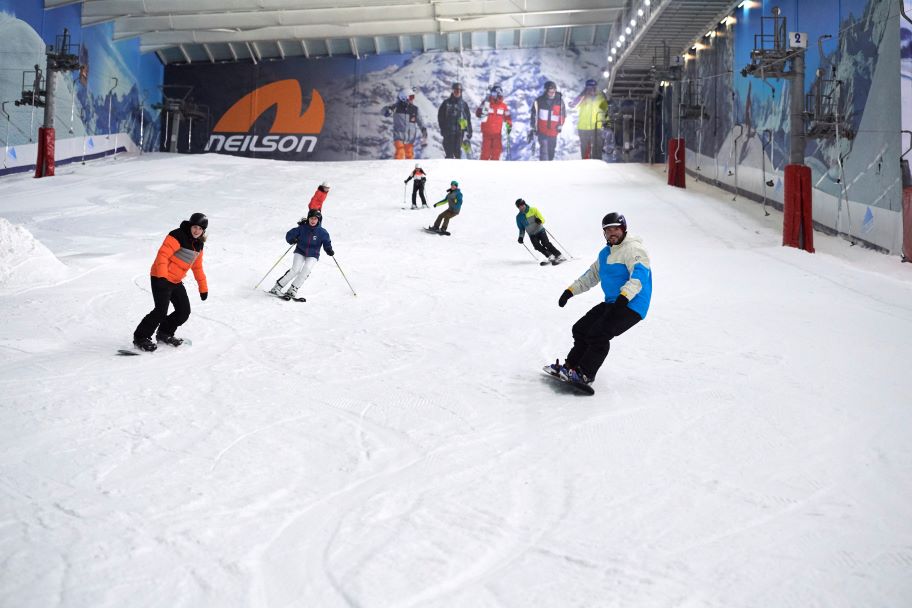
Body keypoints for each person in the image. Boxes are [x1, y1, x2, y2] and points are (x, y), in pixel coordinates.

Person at [547, 212, 652, 386]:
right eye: (608, 230)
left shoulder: (634, 249)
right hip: (613, 302)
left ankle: (585, 374)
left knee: (599, 334)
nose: (612, 233)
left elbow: (640, 275)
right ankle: (571, 366)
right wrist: (570, 291)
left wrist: (624, 297)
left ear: (624, 229)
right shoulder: (605, 253)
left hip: (632, 304)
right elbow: (592, 275)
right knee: (581, 329)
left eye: (616, 229)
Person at [132, 213, 209, 352]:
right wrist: (161, 277)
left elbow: (197, 267)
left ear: (203, 231)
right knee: (160, 311)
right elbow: (163, 255)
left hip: (175, 280)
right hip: (160, 277)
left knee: (183, 311)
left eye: (200, 229)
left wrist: (203, 288)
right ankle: (141, 337)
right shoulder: (177, 235)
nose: (197, 231)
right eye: (195, 227)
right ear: (190, 226)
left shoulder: (198, 245)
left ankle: (164, 332)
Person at [268, 209, 334, 300]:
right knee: (295, 269)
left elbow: (327, 242)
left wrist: (329, 250)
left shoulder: (322, 232)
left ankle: (293, 289)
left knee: (306, 270)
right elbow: (289, 235)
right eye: (311, 218)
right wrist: (292, 239)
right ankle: (277, 287)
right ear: (308, 219)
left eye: (315, 219)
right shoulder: (302, 228)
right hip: (300, 251)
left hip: (313, 254)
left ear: (318, 220)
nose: (313, 221)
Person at [568, 79, 610, 160]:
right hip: (584, 128)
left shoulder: (600, 98)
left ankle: (597, 166)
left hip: (597, 127)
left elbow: (605, 111)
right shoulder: (582, 97)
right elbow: (573, 105)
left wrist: (608, 124)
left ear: (595, 87)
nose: (590, 89)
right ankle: (586, 166)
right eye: (588, 87)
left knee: (597, 149)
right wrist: (581, 95)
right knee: (585, 150)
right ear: (586, 88)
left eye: (592, 87)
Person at [514, 198, 564, 264]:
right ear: (518, 207)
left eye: (522, 205)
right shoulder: (519, 217)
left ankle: (559, 255)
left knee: (546, 243)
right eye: (520, 206)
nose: (522, 207)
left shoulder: (533, 210)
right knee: (537, 246)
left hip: (540, 230)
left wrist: (540, 221)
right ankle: (550, 256)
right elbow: (521, 229)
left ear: (524, 204)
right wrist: (521, 237)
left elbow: (542, 219)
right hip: (532, 234)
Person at [382, 88, 427, 159]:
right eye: (411, 97)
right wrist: (387, 110)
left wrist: (424, 130)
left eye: (413, 97)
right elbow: (384, 112)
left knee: (409, 155)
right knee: (400, 152)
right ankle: (398, 169)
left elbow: (420, 121)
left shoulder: (415, 109)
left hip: (410, 138)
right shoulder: (396, 107)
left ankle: (409, 169)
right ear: (404, 98)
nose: (412, 99)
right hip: (399, 136)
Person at [528, 80, 566, 161]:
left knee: (551, 152)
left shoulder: (559, 101)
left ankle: (549, 168)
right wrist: (533, 127)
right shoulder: (539, 101)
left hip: (553, 132)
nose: (552, 93)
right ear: (546, 91)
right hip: (542, 132)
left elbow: (563, 115)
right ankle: (543, 169)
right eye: (550, 91)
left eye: (553, 91)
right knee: (544, 152)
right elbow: (534, 115)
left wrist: (560, 125)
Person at [475, 84, 512, 161]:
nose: (494, 96)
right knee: (485, 153)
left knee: (496, 153)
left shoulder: (503, 106)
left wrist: (509, 124)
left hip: (497, 134)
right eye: (493, 94)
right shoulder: (486, 104)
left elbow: (507, 117)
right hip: (486, 133)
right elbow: (478, 114)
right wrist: (484, 105)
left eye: (496, 94)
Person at [437, 82, 472, 159]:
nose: (457, 93)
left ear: (461, 92)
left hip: (460, 133)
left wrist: (469, 131)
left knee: (458, 154)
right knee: (449, 154)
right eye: (455, 91)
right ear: (452, 91)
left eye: (459, 91)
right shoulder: (446, 103)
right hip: (448, 133)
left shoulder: (464, 104)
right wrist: (443, 129)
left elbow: (468, 119)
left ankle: (458, 170)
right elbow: (440, 117)